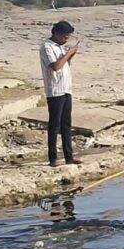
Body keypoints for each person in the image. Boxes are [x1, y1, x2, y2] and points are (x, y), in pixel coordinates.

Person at [40, 21, 82, 167]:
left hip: (66, 89)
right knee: (54, 125)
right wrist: (68, 53)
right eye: (65, 36)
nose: (66, 39)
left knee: (66, 125)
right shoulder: (47, 47)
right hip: (55, 90)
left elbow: (64, 64)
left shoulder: (59, 47)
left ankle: (69, 156)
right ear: (57, 34)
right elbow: (56, 66)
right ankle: (53, 158)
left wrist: (70, 55)